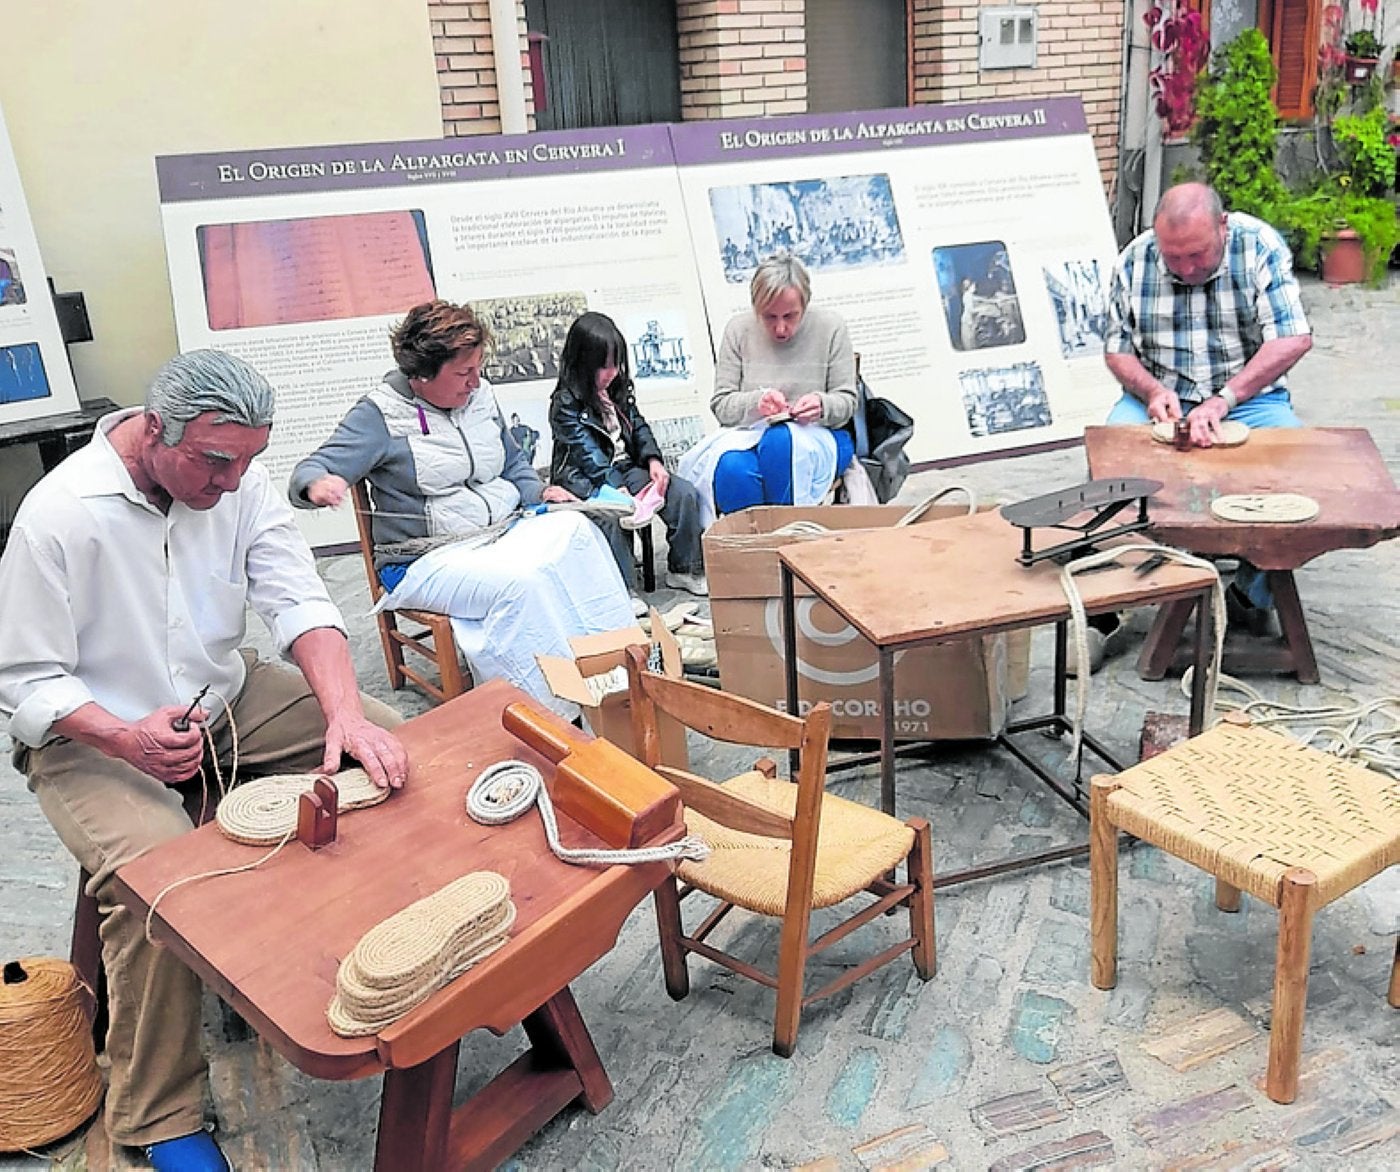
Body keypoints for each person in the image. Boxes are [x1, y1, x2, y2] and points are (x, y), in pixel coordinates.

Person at [0, 350, 408, 1172]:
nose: (230, 482)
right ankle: (158, 1115)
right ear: (155, 429)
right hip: (91, 738)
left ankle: (366, 957)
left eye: (250, 460)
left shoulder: (237, 481)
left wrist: (345, 717)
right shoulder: (60, 515)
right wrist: (126, 739)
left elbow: (298, 599)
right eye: (214, 461)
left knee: (389, 744)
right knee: (161, 880)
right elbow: (22, 681)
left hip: (221, 701)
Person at [289, 300, 635, 716]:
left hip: (498, 531)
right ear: (420, 375)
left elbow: (511, 459)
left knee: (580, 534)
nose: (475, 382)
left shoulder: (480, 394)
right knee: (522, 586)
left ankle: (621, 672)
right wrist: (318, 485)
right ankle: (551, 715)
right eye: (463, 373)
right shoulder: (381, 414)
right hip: (425, 557)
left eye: (478, 368)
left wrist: (537, 493)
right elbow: (313, 467)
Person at [1094, 181, 1313, 664]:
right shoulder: (1135, 259)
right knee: (1110, 471)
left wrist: (1224, 399)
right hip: (1163, 394)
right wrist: (1152, 390)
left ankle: (1251, 594)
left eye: (1197, 254)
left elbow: (1293, 339)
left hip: (1246, 397)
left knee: (1298, 473)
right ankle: (1108, 607)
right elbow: (1116, 349)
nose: (1187, 268)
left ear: (1223, 226)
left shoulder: (1259, 246)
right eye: (1174, 259)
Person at [679, 254, 857, 521]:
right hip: (752, 435)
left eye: (790, 315)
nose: (781, 327)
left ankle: (780, 539)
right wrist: (757, 403)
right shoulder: (739, 330)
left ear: (805, 304)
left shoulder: (831, 327)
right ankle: (762, 548)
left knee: (781, 441)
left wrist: (821, 404)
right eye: (769, 317)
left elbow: (847, 401)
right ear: (755, 307)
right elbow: (721, 405)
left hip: (821, 434)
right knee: (732, 469)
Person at [547, 311, 707, 596]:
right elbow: (586, 453)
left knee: (683, 494)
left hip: (626, 466)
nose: (612, 373)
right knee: (613, 513)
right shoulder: (564, 403)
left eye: (616, 364)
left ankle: (684, 567)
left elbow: (638, 425)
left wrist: (653, 460)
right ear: (582, 363)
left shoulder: (617, 387)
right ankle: (622, 589)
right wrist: (614, 487)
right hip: (582, 476)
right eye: (603, 366)